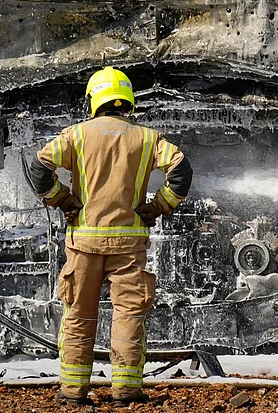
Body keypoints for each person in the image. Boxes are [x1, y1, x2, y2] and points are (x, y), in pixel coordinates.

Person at [22, 66, 193, 407]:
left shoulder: (77, 135)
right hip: (129, 245)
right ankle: (126, 392)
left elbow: (39, 168)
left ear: (94, 100)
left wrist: (63, 200)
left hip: (83, 244)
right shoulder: (147, 138)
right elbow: (182, 171)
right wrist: (158, 206)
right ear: (127, 100)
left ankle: (72, 393)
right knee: (128, 316)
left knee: (79, 317)